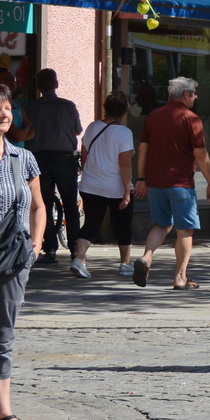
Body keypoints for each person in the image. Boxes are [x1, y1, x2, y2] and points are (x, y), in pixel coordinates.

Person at [0, 81, 48, 420]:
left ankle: (2, 416)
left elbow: (38, 207)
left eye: (8, 107)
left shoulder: (24, 158)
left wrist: (34, 249)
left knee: (1, 337)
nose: (5, 114)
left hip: (12, 261)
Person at [132, 77, 210, 290]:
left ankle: (146, 257)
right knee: (185, 230)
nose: (196, 97)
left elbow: (143, 150)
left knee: (161, 224)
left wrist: (141, 178)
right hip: (180, 183)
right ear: (186, 94)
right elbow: (200, 153)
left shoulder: (153, 116)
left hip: (155, 182)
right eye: (194, 93)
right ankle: (180, 277)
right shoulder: (191, 118)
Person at [71, 92, 136, 280]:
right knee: (122, 225)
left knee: (91, 223)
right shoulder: (124, 133)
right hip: (115, 186)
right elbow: (124, 164)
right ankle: (125, 264)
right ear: (124, 111)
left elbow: (84, 156)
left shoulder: (92, 127)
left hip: (91, 184)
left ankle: (80, 259)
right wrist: (126, 190)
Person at [21, 69, 80, 265]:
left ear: (38, 86)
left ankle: (50, 246)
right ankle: (74, 247)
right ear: (56, 83)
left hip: (40, 158)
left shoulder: (32, 107)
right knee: (70, 203)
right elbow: (78, 130)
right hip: (64, 157)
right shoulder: (68, 106)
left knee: (42, 204)